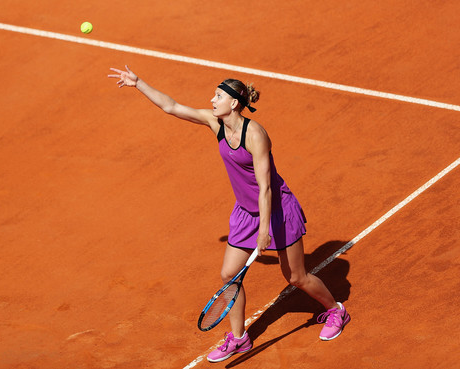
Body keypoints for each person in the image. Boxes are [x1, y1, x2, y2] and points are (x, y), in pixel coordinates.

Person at [108, 66, 350, 363]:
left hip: (275, 210)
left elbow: (265, 187)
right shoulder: (215, 123)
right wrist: (138, 83)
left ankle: (336, 311)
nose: (212, 100)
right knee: (228, 275)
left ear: (234, 103)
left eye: (218, 96)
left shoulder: (256, 135)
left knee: (295, 276)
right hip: (246, 213)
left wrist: (265, 230)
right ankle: (239, 338)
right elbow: (171, 106)